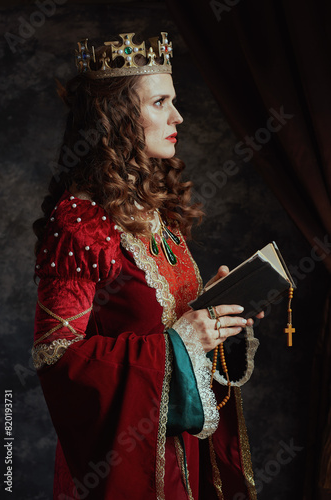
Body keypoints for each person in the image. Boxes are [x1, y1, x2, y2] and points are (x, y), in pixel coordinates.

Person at [32, 31, 263, 500]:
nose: (178, 116)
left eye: (173, 101)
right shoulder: (79, 224)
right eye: (160, 102)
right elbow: (56, 358)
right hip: (124, 469)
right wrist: (177, 345)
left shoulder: (152, 207)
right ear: (116, 117)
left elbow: (168, 323)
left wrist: (215, 317)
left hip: (182, 456)